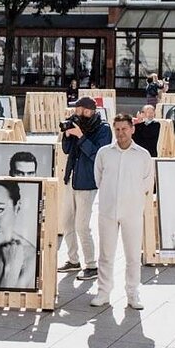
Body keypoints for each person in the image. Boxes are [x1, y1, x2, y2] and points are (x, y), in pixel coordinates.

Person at [91, 114, 154, 308]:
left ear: (132, 129)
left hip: (132, 211)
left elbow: (147, 182)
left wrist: (131, 196)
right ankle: (103, 292)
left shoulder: (143, 155)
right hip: (108, 210)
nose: (121, 133)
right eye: (117, 129)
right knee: (106, 254)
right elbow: (98, 178)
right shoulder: (104, 153)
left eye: (124, 129)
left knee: (133, 255)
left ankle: (132, 293)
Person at [58, 96, 112, 281]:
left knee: (82, 225)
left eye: (82, 110)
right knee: (66, 222)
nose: (78, 113)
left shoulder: (103, 129)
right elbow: (67, 150)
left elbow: (98, 155)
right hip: (71, 179)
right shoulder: (76, 123)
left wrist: (81, 136)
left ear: (91, 111)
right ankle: (73, 260)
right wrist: (67, 136)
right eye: (76, 109)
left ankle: (91, 265)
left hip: (87, 183)